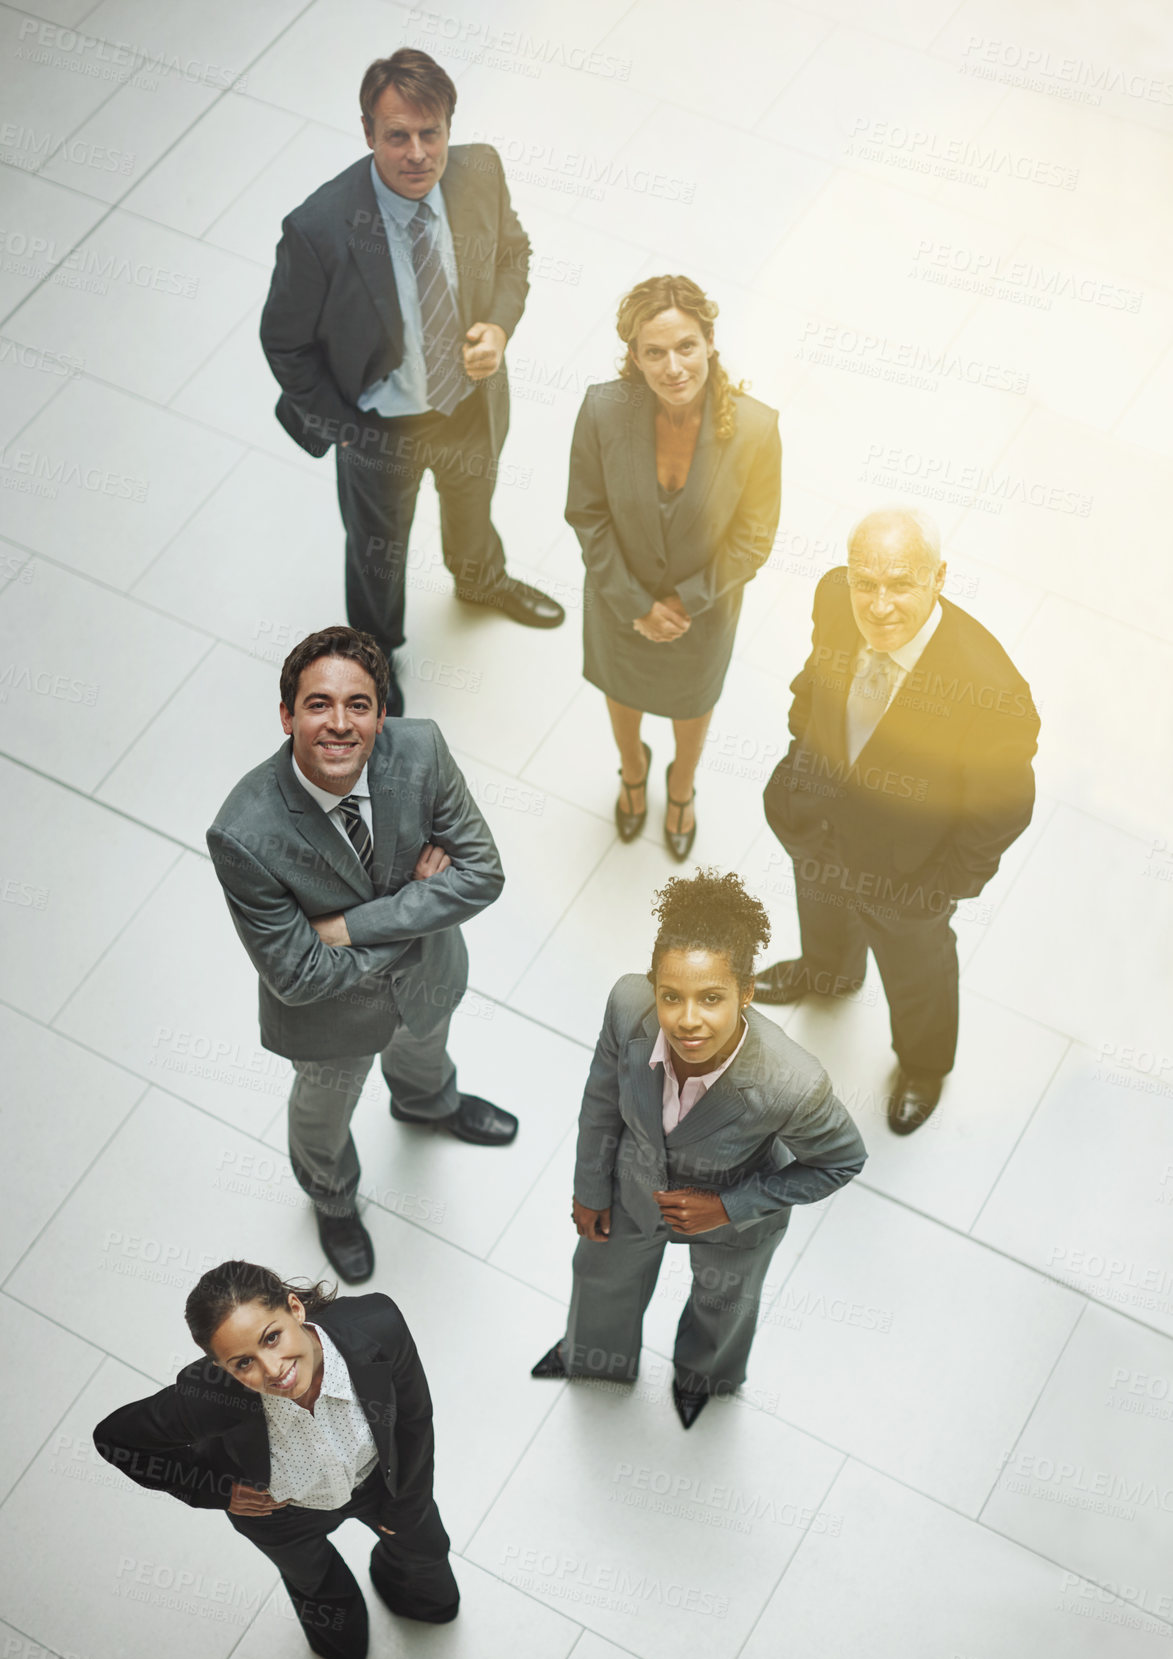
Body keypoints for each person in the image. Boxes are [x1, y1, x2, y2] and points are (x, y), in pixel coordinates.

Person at [206, 626, 516, 1284]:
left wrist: (350, 924)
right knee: (323, 1114)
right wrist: (419, 901)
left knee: (425, 1050)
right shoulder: (243, 831)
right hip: (328, 1021)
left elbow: (482, 874)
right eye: (318, 704)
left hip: (429, 979)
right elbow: (297, 972)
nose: (339, 723)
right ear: (287, 715)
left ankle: (426, 1103)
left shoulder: (421, 749)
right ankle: (333, 1199)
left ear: (381, 713)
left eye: (358, 704)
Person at [260, 47, 563, 713]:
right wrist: (345, 432)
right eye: (397, 136)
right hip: (376, 429)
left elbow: (513, 254)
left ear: (450, 128)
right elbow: (283, 341)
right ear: (368, 133)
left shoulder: (479, 172)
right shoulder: (319, 229)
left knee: (472, 503)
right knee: (377, 552)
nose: (418, 153)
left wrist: (499, 328)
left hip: (468, 405)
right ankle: (375, 652)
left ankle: (480, 579)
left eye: (432, 133)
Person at [531, 870, 865, 1429]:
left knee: (723, 1304)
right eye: (671, 996)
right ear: (652, 985)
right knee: (600, 1275)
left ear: (747, 993)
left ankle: (702, 1381)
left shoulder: (792, 1081)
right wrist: (589, 1188)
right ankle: (593, 1362)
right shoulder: (625, 1004)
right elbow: (601, 1099)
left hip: (735, 1219)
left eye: (712, 998)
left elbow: (841, 1161)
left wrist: (728, 1206)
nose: (688, 1020)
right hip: (632, 1188)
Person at [757, 508, 1040, 1134]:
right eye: (867, 582)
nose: (878, 605)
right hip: (818, 824)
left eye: (901, 584)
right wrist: (802, 758)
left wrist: (941, 887)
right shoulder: (835, 595)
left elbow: (1002, 810)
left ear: (939, 577)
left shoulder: (990, 692)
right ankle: (828, 973)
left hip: (907, 873)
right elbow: (815, 683)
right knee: (821, 903)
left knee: (918, 970)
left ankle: (923, 1063)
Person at [93, 1261, 457, 1659]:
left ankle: (402, 1585)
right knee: (318, 1590)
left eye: (272, 1337)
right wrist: (213, 1489)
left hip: (377, 1481)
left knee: (426, 1555)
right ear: (221, 1368)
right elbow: (116, 1438)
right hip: (280, 1512)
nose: (273, 1370)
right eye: (242, 1363)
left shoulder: (378, 1325)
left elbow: (413, 1418)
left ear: (295, 1310)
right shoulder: (207, 1395)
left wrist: (408, 1503)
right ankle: (342, 1642)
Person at [566, 275, 781, 860]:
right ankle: (633, 771)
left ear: (710, 341)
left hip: (702, 614)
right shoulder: (603, 410)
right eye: (654, 352)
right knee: (622, 690)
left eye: (686, 346)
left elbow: (753, 538)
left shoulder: (758, 429)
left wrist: (685, 602)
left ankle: (680, 787)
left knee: (691, 703)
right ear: (633, 356)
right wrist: (636, 604)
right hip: (616, 600)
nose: (673, 367)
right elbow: (587, 515)